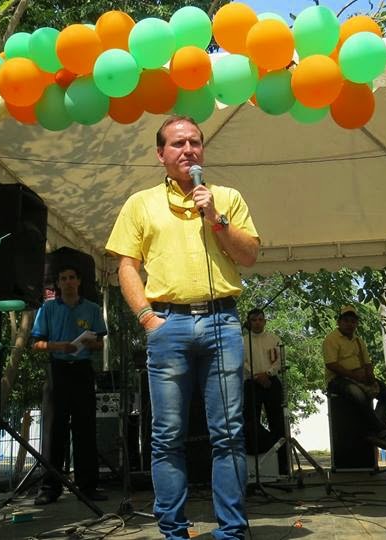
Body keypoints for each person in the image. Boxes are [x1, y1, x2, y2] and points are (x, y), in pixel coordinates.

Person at [106, 115, 259, 540]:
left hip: (221, 322)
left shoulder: (226, 198)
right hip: (167, 324)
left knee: (228, 434)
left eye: (194, 142)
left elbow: (249, 256)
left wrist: (217, 218)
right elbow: (126, 266)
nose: (188, 149)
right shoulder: (140, 203)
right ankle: (173, 532)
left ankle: (231, 532)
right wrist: (147, 318)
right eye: (177, 143)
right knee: (167, 436)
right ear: (161, 154)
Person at [30, 263, 107, 504]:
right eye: (63, 278)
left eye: (72, 277)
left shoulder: (92, 309)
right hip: (58, 370)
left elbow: (101, 343)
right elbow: (36, 344)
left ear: (79, 281)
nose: (68, 282)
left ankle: (88, 487)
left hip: (83, 370)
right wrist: (60, 346)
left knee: (85, 428)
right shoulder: (48, 308)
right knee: (55, 430)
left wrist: (91, 343)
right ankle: (49, 488)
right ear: (58, 284)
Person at [322, 305, 386, 453]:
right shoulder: (331, 339)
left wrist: (370, 378)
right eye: (346, 321)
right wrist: (354, 376)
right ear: (339, 322)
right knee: (358, 394)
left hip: (358, 376)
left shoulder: (359, 341)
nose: (349, 324)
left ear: (356, 323)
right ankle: (382, 432)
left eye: (353, 321)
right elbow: (331, 365)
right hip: (337, 380)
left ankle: (373, 432)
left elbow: (367, 363)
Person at [242, 308, 288, 475]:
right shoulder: (243, 341)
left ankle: (282, 467)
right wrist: (256, 375)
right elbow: (242, 363)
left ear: (265, 321)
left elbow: (280, 360)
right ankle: (255, 467)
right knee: (250, 422)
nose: (257, 323)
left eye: (260, 319)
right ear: (249, 322)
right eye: (254, 320)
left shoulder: (274, 339)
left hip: (271, 382)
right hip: (251, 383)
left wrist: (267, 373)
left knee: (277, 422)